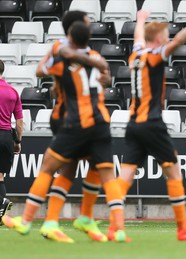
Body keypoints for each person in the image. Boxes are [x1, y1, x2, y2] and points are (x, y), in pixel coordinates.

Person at [3, 21, 129, 243]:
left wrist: (60, 54)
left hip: (74, 123)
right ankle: (114, 227)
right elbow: (107, 77)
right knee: (102, 173)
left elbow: (41, 70)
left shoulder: (63, 61)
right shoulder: (97, 58)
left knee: (51, 167)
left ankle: (28, 220)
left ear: (70, 38)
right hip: (101, 123)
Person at [112, 9, 186, 241]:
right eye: (164, 34)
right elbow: (179, 41)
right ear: (157, 39)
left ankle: (114, 226)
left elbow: (138, 38)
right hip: (152, 123)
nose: (167, 38)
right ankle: (183, 227)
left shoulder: (135, 55)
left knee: (125, 178)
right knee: (174, 171)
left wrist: (141, 21)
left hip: (133, 124)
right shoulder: (155, 55)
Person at [0, 59, 23, 224]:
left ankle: (1, 203)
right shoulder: (13, 92)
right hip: (6, 137)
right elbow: (20, 123)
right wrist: (18, 141)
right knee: (0, 176)